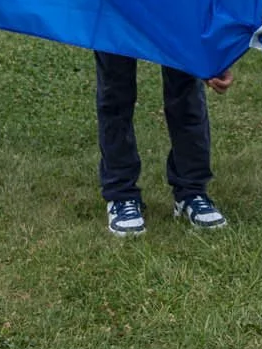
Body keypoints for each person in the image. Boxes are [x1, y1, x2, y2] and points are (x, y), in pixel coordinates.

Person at [96, 53, 233, 236]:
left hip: (177, 23)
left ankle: (191, 192)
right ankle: (121, 196)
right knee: (115, 87)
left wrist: (215, 57)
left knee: (185, 84)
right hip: (117, 23)